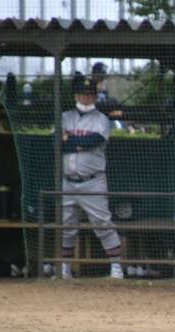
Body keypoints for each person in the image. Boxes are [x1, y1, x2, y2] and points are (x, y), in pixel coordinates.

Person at [60, 77, 123, 279]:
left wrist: (70, 140)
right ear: (75, 96)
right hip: (67, 181)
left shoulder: (101, 119)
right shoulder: (64, 117)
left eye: (90, 95)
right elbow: (54, 142)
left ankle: (116, 267)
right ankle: (65, 269)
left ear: (95, 97)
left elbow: (94, 140)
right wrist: (78, 144)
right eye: (82, 94)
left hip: (93, 181)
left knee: (103, 224)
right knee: (66, 226)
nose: (86, 98)